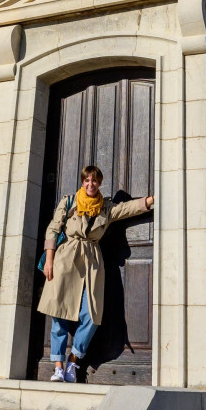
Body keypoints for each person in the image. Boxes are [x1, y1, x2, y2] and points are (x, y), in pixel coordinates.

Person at [40, 164, 154, 383]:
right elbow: (53, 229)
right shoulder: (69, 202)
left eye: (94, 181)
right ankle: (58, 367)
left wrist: (151, 200)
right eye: (87, 181)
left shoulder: (106, 208)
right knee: (59, 313)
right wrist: (50, 260)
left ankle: (74, 360)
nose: (90, 184)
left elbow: (129, 208)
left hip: (92, 262)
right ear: (83, 182)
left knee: (92, 316)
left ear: (99, 183)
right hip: (66, 259)